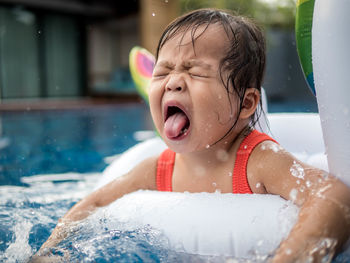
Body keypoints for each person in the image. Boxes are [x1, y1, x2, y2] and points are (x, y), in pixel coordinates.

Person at [34, 8, 350, 262]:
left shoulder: (258, 161)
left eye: (195, 71)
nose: (173, 81)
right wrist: (51, 251)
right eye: (162, 72)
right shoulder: (157, 169)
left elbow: (331, 195)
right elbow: (96, 200)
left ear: (245, 103)